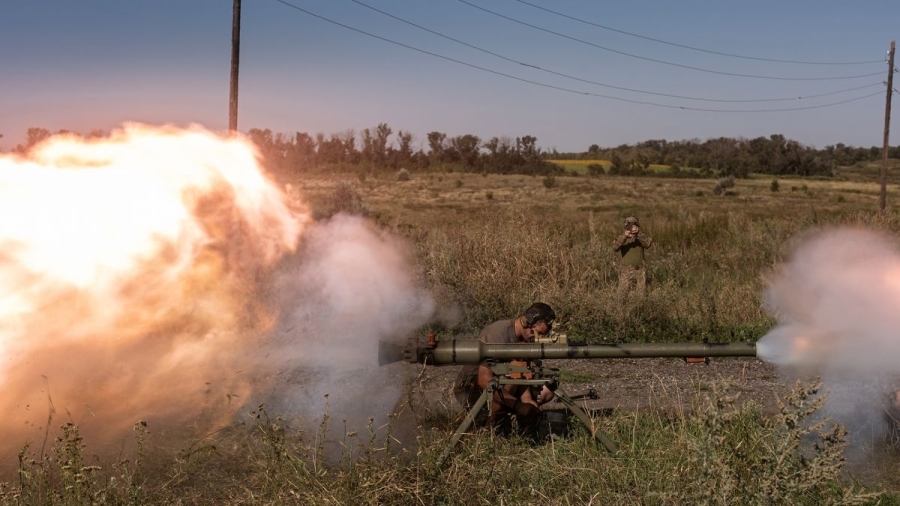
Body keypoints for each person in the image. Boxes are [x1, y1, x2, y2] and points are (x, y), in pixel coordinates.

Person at [452, 302, 557, 429]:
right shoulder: (497, 333)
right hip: (472, 388)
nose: (538, 338)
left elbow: (523, 373)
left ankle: (510, 420)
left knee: (546, 392)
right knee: (511, 378)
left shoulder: (527, 338)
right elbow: (484, 380)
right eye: (537, 333)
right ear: (527, 322)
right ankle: (489, 430)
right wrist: (519, 406)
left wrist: (528, 401)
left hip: (502, 383)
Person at [613, 216, 652, 295]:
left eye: (634, 226)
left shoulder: (641, 237)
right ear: (625, 227)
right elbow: (615, 248)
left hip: (640, 269)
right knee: (622, 294)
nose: (632, 228)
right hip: (626, 270)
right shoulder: (622, 238)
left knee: (640, 295)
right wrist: (625, 236)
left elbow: (647, 244)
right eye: (629, 226)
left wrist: (638, 234)